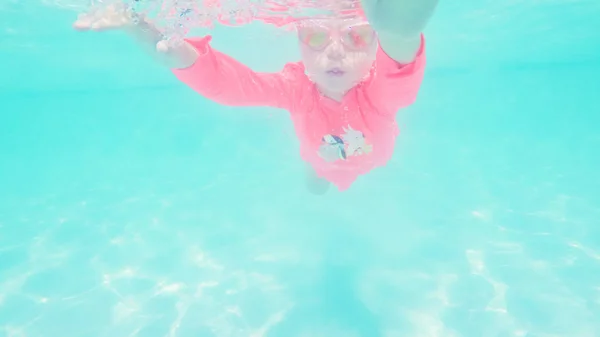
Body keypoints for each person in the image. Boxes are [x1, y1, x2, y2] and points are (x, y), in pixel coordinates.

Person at [73, 0, 438, 194]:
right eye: (315, 37)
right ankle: (317, 177)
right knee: (317, 182)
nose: (335, 52)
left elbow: (402, 45)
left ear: (375, 44)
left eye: (356, 37)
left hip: (373, 160)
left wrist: (398, 21)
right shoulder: (296, 88)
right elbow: (225, 85)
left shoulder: (380, 93)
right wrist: (137, 27)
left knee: (342, 173)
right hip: (320, 162)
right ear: (299, 43)